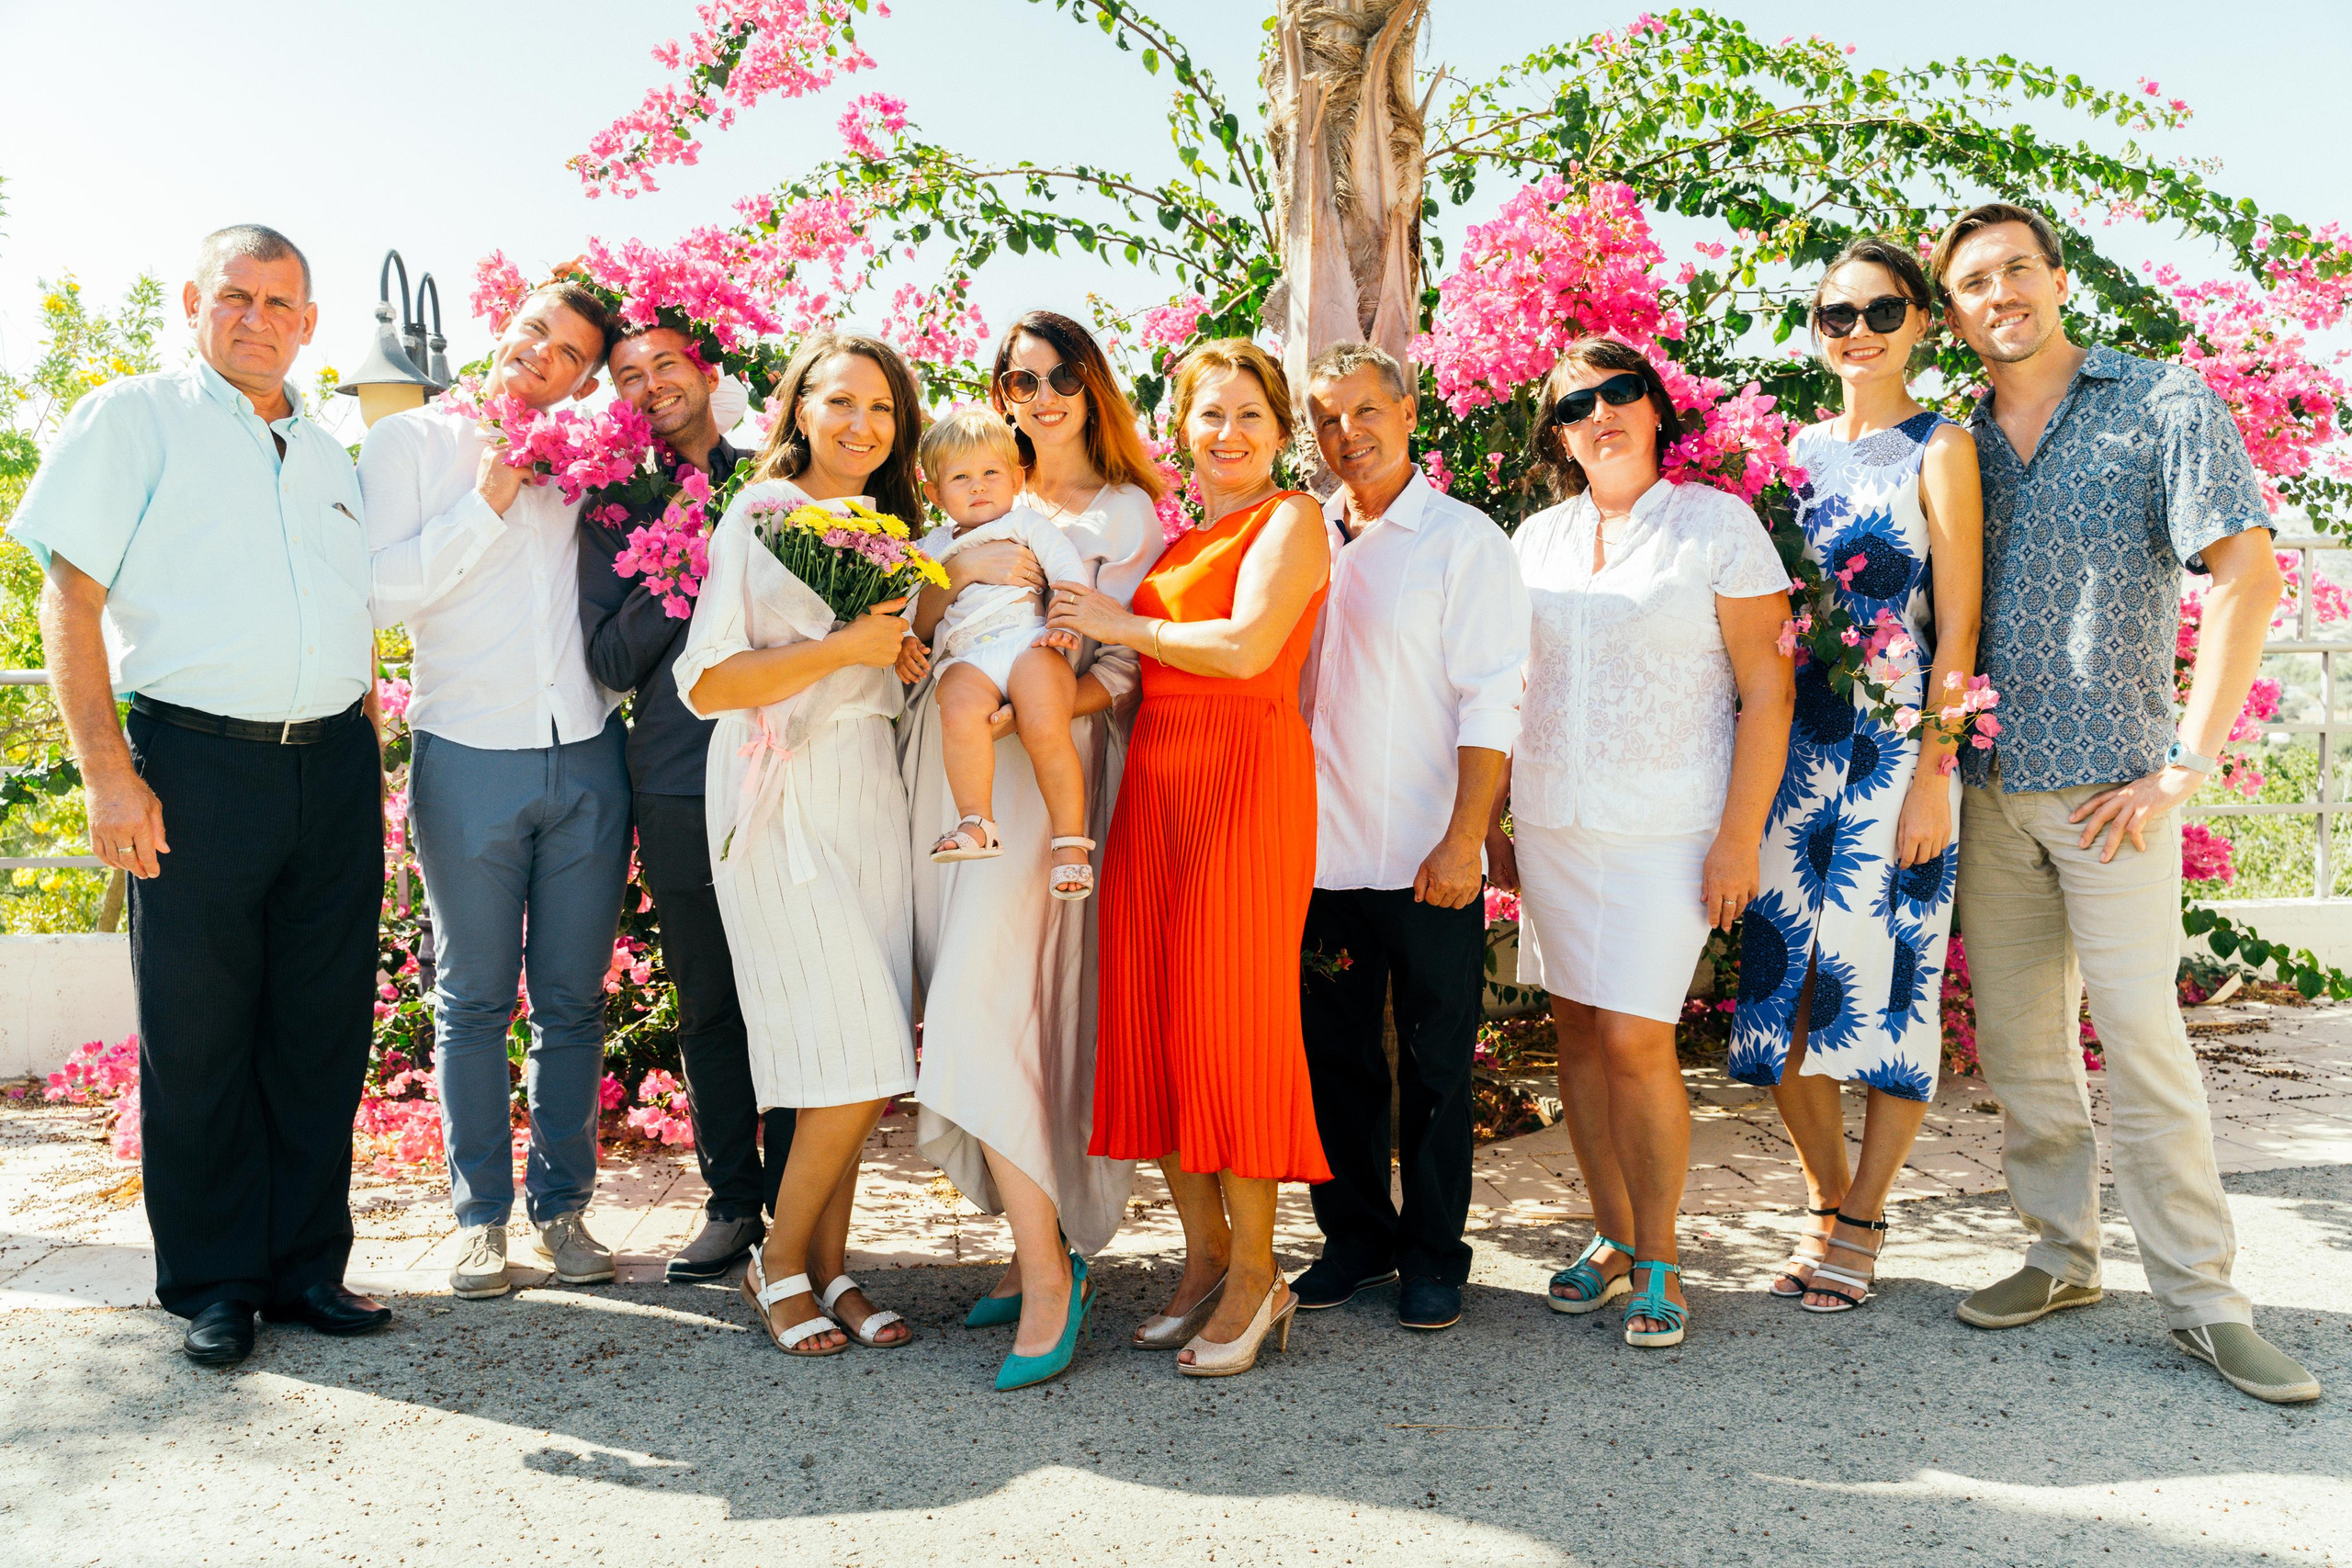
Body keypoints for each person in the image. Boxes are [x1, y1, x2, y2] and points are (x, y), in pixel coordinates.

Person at [1932, 203, 2319, 1404]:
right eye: (1971, 283)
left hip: (2119, 796)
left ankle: (2206, 1301)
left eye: (2014, 270)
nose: (1998, 294)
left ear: (2057, 276)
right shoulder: (1956, 443)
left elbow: (2247, 579)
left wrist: (2184, 766)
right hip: (1994, 792)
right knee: (2022, 1046)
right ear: (1953, 311)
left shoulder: (2162, 404)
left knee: (2144, 1044)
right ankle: (2061, 1253)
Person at [10, 224, 389, 1365]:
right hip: (193, 766)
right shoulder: (135, 417)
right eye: (235, 297)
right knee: (201, 1031)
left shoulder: (326, 454)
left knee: (321, 1031)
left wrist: (359, 754)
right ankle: (216, 1282)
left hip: (332, 766)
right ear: (194, 302)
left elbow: (348, 621)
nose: (257, 319)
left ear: (310, 323)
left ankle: (308, 1270)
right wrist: (107, 775)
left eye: (281, 303)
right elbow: (66, 600)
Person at [1489, 337, 1794, 1348]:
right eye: (1574, 405)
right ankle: (1611, 1237)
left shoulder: (1716, 524)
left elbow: (1767, 688)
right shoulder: (1530, 541)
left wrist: (1738, 838)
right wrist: (1492, 821)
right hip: (1553, 824)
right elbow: (1503, 691)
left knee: (1633, 1037)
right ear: (1557, 435)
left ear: (1657, 409)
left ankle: (1660, 1256)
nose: (1599, 414)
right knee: (1575, 1034)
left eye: (1619, 393)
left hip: (1670, 829)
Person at [1050, 338, 1332, 1379]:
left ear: (1279, 429)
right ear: (1183, 426)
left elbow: (1251, 648)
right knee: (1161, 1021)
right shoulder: (1173, 545)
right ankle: (1205, 1254)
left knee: (1231, 1026)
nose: (1228, 433)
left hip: (1245, 784)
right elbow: (1128, 671)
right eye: (1209, 413)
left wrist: (1121, 623)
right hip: (1157, 789)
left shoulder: (1291, 519)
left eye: (1249, 414)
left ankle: (1260, 1272)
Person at [897, 310, 1166, 1391]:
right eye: (1022, 378)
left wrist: (1034, 710)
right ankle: (1030, 1242)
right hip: (960, 790)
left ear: (1089, 385)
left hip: (1053, 785)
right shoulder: (962, 510)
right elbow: (913, 641)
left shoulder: (1118, 513)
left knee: (990, 1003)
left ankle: (1051, 1276)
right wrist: (939, 597)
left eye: (1062, 374)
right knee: (998, 1008)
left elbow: (1126, 666)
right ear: (999, 398)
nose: (1043, 393)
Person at [360, 280, 630, 1301]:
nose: (541, 358)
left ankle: (563, 1210)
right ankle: (479, 1220)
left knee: (571, 1001)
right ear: (503, 325)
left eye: (569, 354)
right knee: (471, 1001)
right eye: (534, 332)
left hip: (588, 754)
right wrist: (488, 499)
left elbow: (717, 412)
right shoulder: (415, 444)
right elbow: (379, 595)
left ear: (587, 376)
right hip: (467, 752)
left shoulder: (594, 459)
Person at [1728, 237, 1984, 1314]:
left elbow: (1960, 623)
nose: (1861, 332)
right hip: (1794, 751)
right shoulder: (1791, 453)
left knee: (1889, 984)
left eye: (1883, 311)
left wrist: (1936, 773)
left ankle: (1866, 1218)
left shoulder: (1941, 447)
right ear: (1816, 329)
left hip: (1895, 755)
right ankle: (1828, 1200)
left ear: (1919, 322)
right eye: (1838, 315)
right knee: (1780, 989)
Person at [675, 332, 923, 1359]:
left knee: (848, 1054)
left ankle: (833, 1268)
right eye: (840, 401)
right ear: (801, 410)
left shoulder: (896, 531)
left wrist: (900, 658)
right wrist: (845, 646)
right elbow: (709, 682)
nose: (861, 423)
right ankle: (776, 1262)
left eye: (880, 408)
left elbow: (884, 683)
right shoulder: (760, 516)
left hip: (870, 788)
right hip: (774, 790)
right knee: (857, 1041)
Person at [1292, 341, 1529, 1334]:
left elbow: (1491, 699)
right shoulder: (1303, 539)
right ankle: (1355, 1238)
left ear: (1408, 410)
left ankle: (1435, 1254)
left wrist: (1464, 836)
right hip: (1317, 854)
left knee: (1435, 1064)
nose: (1348, 434)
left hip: (1429, 854)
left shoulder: (1462, 541)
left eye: (1363, 411)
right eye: (1327, 420)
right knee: (1333, 1058)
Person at [577, 323, 792, 1283]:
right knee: (708, 998)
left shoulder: (777, 479)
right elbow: (609, 662)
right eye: (628, 376)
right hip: (669, 774)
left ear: (706, 372)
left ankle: (802, 1201)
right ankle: (732, 1204)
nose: (651, 383)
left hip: (784, 765)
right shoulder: (616, 504)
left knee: (792, 982)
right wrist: (678, 559)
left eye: (665, 363)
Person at [903, 408, 1093, 897]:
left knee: (1046, 725)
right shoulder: (931, 547)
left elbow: (1066, 571)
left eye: (991, 473)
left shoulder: (1026, 523)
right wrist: (905, 640)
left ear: (1016, 477)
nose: (978, 486)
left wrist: (1063, 623)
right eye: (960, 477)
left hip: (1028, 639)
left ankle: (1070, 842)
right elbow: (910, 608)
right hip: (966, 654)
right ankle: (976, 821)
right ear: (935, 494)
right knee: (957, 711)